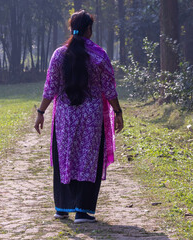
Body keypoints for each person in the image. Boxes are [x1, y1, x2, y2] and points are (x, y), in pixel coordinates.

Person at [34, 10, 123, 223]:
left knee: (65, 157)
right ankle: (82, 211)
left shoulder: (59, 55)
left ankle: (62, 208)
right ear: (89, 30)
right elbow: (109, 89)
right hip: (91, 118)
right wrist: (118, 112)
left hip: (65, 118)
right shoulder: (99, 55)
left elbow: (50, 88)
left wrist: (41, 112)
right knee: (88, 160)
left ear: (71, 28)